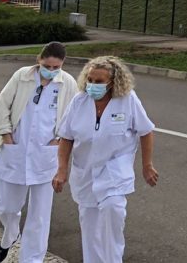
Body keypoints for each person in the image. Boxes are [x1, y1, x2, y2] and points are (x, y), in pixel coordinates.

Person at [52, 56, 158, 263]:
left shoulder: (127, 100)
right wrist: (61, 170)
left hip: (114, 172)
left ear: (113, 82)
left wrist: (147, 165)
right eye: (90, 79)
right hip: (86, 173)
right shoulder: (79, 101)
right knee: (89, 227)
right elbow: (66, 137)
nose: (92, 85)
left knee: (113, 212)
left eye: (99, 82)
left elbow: (146, 131)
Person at [0, 41, 78, 263]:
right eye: (48, 65)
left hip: (47, 155)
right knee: (6, 206)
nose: (52, 70)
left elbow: (73, 115)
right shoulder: (22, 76)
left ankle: (31, 259)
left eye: (57, 67)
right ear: (40, 60)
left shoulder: (67, 83)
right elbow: (3, 103)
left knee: (40, 215)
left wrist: (59, 142)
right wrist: (6, 134)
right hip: (15, 148)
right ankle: (10, 233)